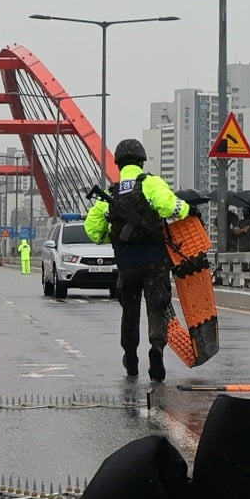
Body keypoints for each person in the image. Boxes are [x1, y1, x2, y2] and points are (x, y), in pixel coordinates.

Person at [86, 138, 189, 382]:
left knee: (129, 311)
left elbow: (93, 229)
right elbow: (169, 207)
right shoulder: (150, 183)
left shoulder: (110, 193)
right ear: (142, 161)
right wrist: (186, 209)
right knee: (157, 307)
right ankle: (157, 348)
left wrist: (108, 238)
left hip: (126, 264)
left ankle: (130, 357)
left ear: (119, 164)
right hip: (155, 261)